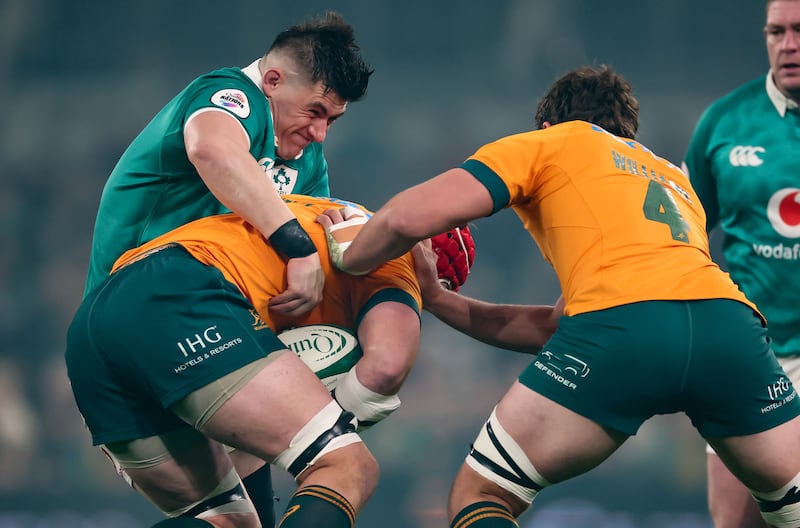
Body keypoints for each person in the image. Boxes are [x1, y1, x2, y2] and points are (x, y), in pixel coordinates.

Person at [322, 65, 800, 528]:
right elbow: (554, 329)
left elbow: (405, 219)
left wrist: (351, 255)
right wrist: (439, 299)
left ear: (547, 124)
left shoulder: (553, 142)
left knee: (480, 496)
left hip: (623, 328)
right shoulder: (673, 181)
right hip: (729, 329)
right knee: (790, 507)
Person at [83, 11, 372, 525]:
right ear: (273, 80)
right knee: (342, 463)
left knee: (235, 521)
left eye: (333, 120)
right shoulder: (228, 94)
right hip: (160, 314)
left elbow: (299, 281)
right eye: (315, 111)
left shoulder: (307, 163)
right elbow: (212, 149)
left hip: (178, 341)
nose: (321, 132)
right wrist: (299, 246)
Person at [65, 194, 424, 528]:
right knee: (348, 465)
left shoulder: (311, 211)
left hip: (97, 322)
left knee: (228, 521)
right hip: (178, 295)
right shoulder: (400, 255)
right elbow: (385, 368)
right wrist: (336, 414)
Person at [682, 2, 800, 526]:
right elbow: (680, 234)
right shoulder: (724, 121)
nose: (788, 44)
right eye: (777, 31)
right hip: (752, 354)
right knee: (733, 522)